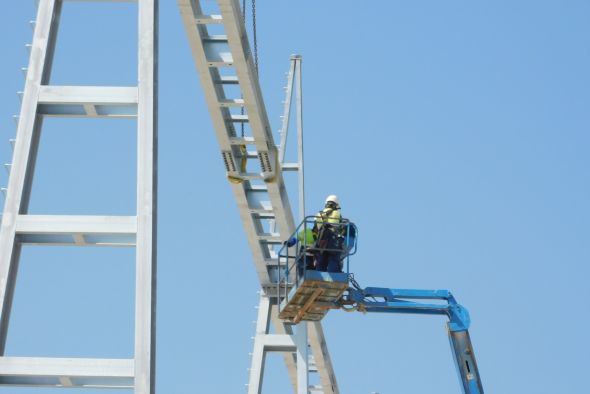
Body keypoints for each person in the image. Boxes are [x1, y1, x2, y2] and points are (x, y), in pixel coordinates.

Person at [313, 195, 344, 272]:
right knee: (334, 257)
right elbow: (341, 228)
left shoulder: (319, 214)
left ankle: (319, 275)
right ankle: (332, 275)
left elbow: (315, 229)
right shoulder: (337, 214)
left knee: (321, 259)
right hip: (333, 240)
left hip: (321, 240)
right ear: (336, 205)